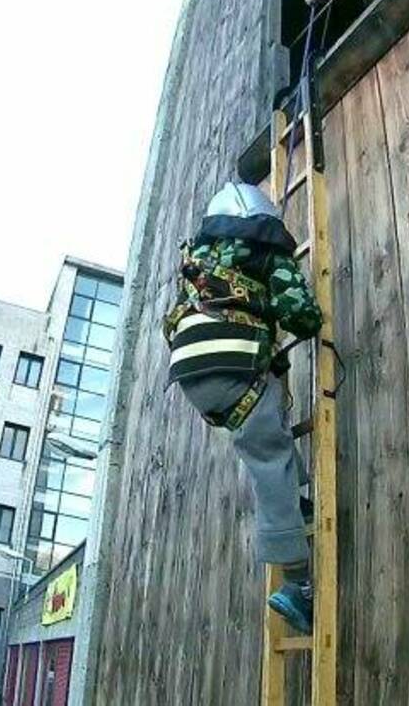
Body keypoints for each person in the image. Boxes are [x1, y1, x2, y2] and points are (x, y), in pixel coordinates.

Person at [163, 182, 323, 634]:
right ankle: (299, 586)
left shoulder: (196, 263)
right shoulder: (267, 252)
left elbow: (171, 322)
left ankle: (300, 504)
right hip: (238, 365)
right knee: (268, 459)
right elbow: (303, 318)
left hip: (192, 376)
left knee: (263, 435)